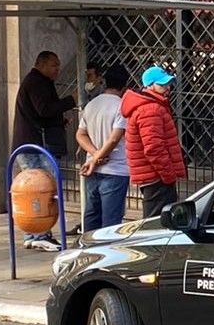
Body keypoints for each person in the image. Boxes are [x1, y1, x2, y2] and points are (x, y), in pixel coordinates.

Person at [12, 51, 77, 251]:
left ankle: (33, 233)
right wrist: (70, 100)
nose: (57, 69)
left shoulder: (39, 81)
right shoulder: (36, 82)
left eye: (58, 65)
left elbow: (42, 113)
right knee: (41, 189)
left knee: (33, 190)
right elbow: (44, 109)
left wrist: (59, 121)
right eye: (53, 65)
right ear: (41, 65)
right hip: (34, 145)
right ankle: (40, 233)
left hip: (32, 142)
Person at [121, 65, 187, 219]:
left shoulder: (149, 106)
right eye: (162, 84)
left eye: (168, 83)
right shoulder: (150, 109)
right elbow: (153, 148)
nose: (167, 87)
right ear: (149, 85)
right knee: (157, 224)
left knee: (158, 221)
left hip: (153, 175)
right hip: (156, 176)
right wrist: (169, 175)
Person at [76, 65, 131, 231]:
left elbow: (80, 134)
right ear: (125, 86)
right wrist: (98, 156)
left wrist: (93, 155)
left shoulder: (92, 104)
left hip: (91, 169)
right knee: (111, 222)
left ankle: (87, 252)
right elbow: (115, 137)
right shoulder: (121, 106)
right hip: (115, 169)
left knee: (91, 216)